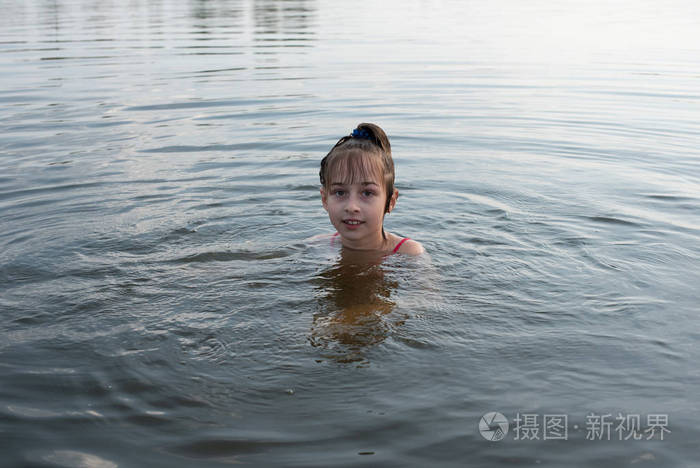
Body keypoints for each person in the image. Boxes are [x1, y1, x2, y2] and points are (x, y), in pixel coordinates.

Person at [319, 123, 424, 256]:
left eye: (367, 193)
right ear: (325, 199)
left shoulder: (409, 253)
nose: (352, 207)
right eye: (340, 192)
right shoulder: (319, 245)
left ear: (390, 201)